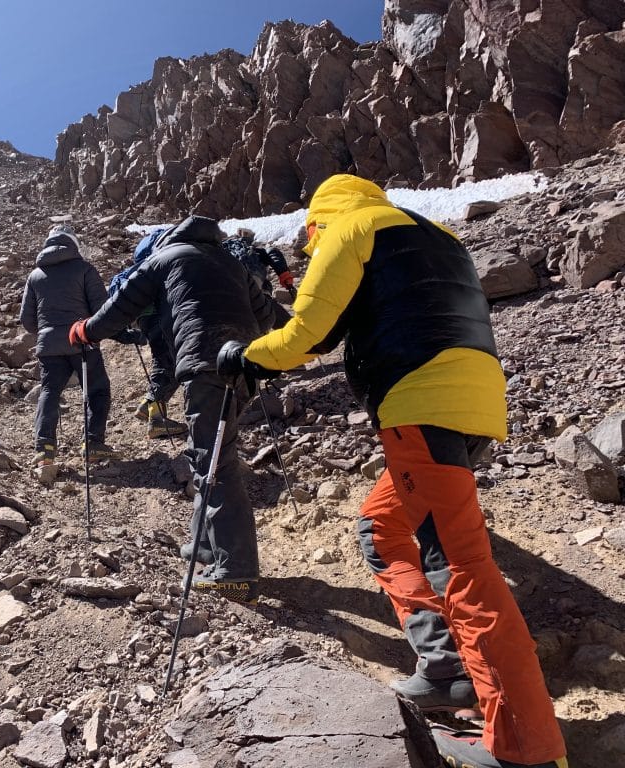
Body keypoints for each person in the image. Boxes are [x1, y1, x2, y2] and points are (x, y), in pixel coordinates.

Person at [218, 174, 568, 768]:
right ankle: (447, 669)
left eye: (308, 242)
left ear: (317, 220)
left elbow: (308, 337)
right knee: (381, 528)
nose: (306, 252)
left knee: (461, 568)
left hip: (419, 403)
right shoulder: (438, 233)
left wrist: (244, 354)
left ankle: (526, 747)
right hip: (477, 403)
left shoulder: (348, 229)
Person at [68, 215, 274, 603]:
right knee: (209, 454)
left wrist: (86, 331)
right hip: (245, 366)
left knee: (217, 463)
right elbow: (267, 315)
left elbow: (121, 307)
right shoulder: (231, 262)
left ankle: (237, 571)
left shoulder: (165, 258)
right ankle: (205, 545)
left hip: (204, 367)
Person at [19, 224, 116, 467]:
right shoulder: (84, 269)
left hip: (49, 346)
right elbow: (103, 310)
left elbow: (26, 319)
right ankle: (93, 443)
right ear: (73, 243)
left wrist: (47, 333)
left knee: (49, 391)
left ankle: (44, 449)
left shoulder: (35, 276)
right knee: (97, 390)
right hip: (82, 341)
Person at [107, 228, 187, 439]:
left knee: (166, 360)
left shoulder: (141, 265)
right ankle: (157, 419)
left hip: (145, 318)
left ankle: (149, 405)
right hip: (161, 315)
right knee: (169, 363)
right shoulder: (161, 260)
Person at [222, 227, 296, 328]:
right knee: (285, 326)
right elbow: (273, 253)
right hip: (255, 289)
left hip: (227, 292)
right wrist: (286, 278)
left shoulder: (221, 249)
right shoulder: (251, 249)